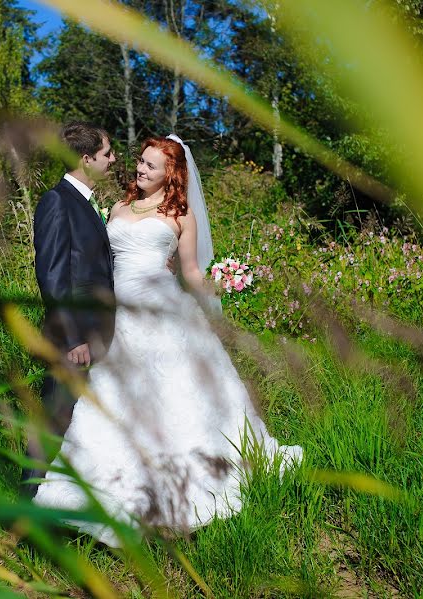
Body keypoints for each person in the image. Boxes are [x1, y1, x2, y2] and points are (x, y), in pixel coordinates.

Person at [32, 135, 303, 546]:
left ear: (170, 174)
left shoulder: (181, 214)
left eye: (151, 167)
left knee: (176, 395)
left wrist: (218, 294)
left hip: (164, 311)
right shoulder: (118, 208)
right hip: (115, 311)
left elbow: (190, 272)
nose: (140, 170)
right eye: (140, 162)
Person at [22, 122, 117, 495]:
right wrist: (74, 337)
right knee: (53, 422)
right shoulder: (57, 201)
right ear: (86, 158)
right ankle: (24, 508)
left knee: (76, 424)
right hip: (72, 339)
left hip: (96, 335)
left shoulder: (88, 204)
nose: (113, 159)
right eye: (107, 153)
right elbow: (52, 276)